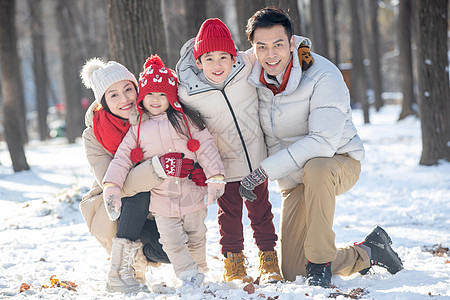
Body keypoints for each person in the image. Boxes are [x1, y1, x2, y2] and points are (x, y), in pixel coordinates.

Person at [240, 7, 403, 287]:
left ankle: (319, 265)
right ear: (253, 49)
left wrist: (263, 171)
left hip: (337, 161)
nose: (271, 55)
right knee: (293, 271)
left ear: (292, 43)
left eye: (278, 45)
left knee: (316, 168)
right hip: (294, 177)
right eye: (261, 47)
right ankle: (370, 251)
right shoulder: (255, 78)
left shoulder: (322, 74)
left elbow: (323, 141)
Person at [102, 55, 226, 290]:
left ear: (171, 96)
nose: (155, 100)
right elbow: (122, 159)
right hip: (162, 201)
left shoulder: (185, 121)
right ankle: (188, 275)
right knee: (172, 242)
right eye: (149, 94)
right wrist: (112, 186)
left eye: (162, 94)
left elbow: (206, 147)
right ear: (142, 97)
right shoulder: (138, 129)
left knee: (196, 236)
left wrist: (215, 176)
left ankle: (199, 271)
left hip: (192, 194)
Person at [80, 58, 203, 292]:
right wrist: (158, 167)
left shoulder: (153, 113)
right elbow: (116, 184)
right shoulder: (94, 134)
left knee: (174, 248)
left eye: (128, 89)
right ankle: (119, 272)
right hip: (117, 208)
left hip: (162, 207)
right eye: (113, 95)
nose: (124, 99)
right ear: (103, 101)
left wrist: (197, 170)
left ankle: (138, 255)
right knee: (138, 191)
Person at [176, 18, 282, 285]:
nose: (218, 64)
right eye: (209, 58)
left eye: (224, 56)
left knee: (262, 212)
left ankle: (269, 258)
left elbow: (270, 49)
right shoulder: (187, 91)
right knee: (230, 216)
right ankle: (233, 261)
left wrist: (301, 46)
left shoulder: (246, 66)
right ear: (198, 62)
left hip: (257, 162)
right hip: (223, 169)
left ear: (233, 56)